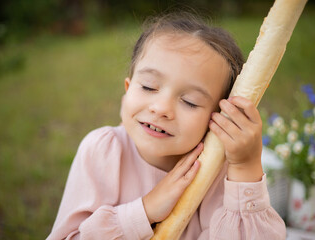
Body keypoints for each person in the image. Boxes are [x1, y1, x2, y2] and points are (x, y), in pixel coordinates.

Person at [47, 12, 286, 240]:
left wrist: (246, 168)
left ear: (217, 119)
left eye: (190, 102)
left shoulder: (216, 175)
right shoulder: (102, 151)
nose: (161, 108)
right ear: (128, 88)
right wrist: (145, 210)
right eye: (149, 87)